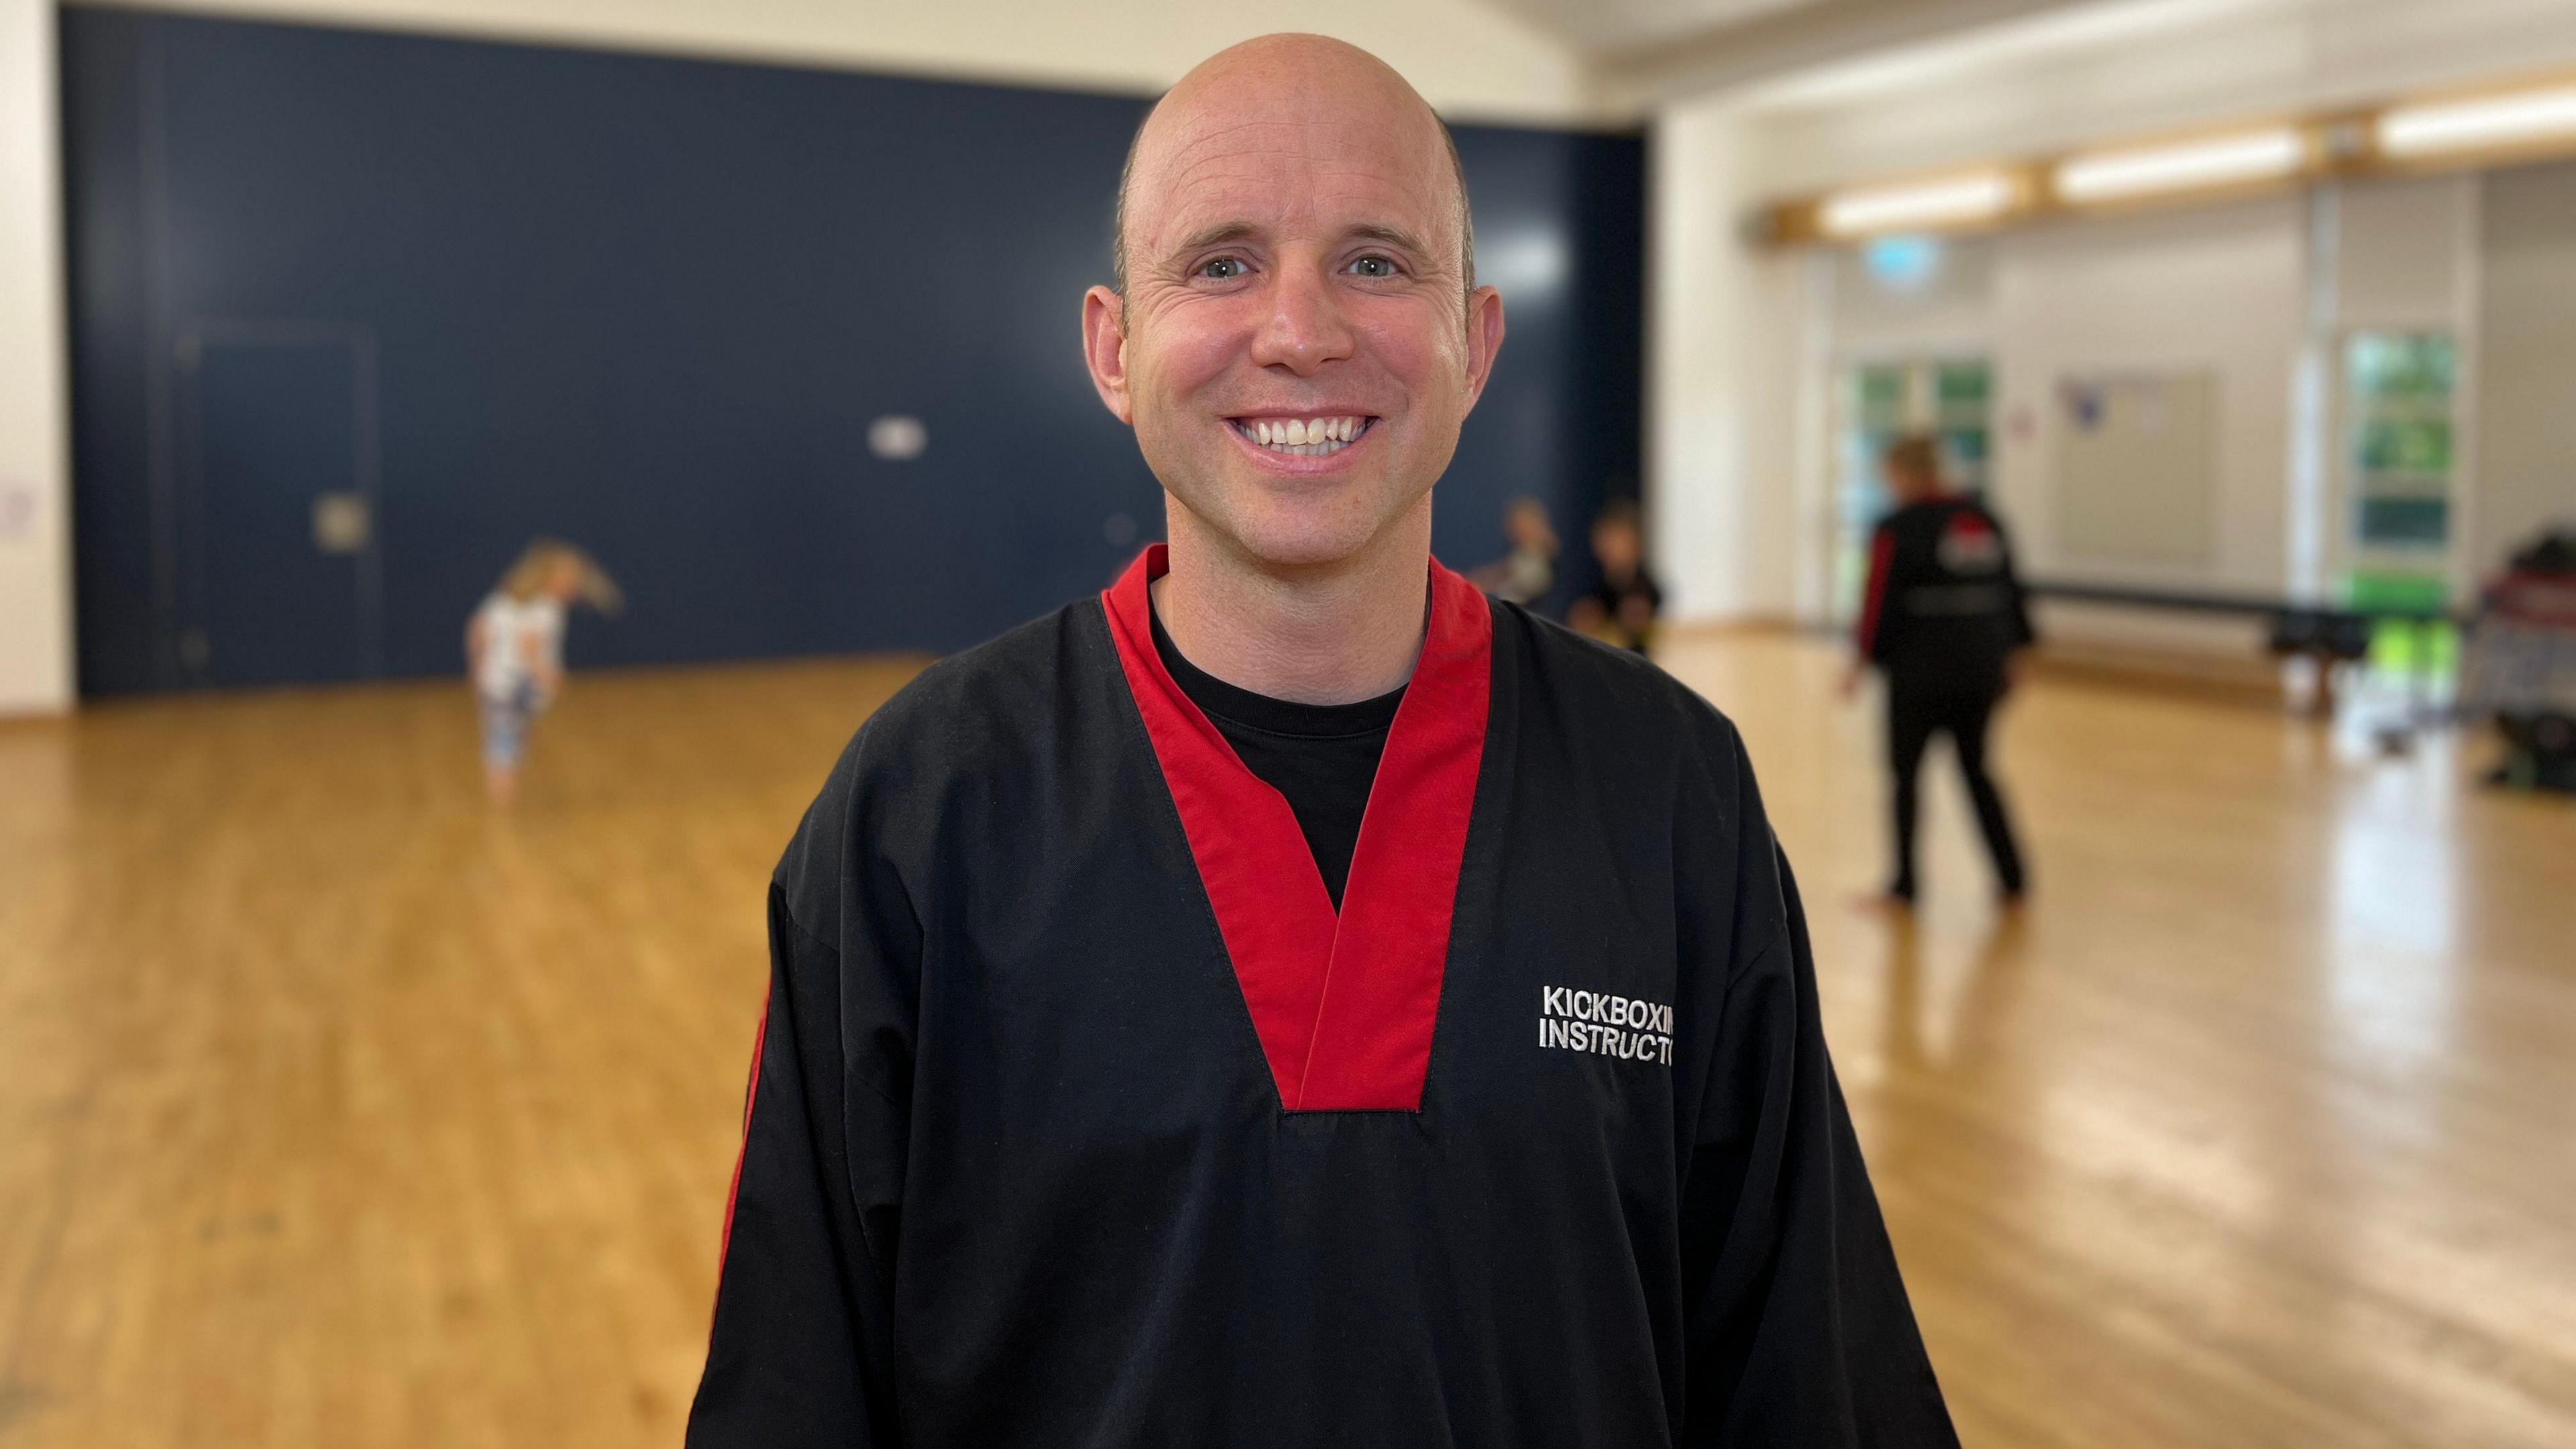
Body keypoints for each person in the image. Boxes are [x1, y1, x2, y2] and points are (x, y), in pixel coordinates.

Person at [688, 34, 1955, 1449]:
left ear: (1475, 345)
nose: (1300, 331)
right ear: (1115, 349)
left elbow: (1809, 1388)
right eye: (1221, 263)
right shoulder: (918, 817)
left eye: (1375, 261)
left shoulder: (1673, 793)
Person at [1841, 434, 2032, 907]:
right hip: (1980, 671)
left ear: (1904, 474)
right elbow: (2013, 592)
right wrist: (2014, 656)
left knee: (1905, 778)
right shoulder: (1983, 519)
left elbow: (1876, 600)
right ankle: (2013, 878)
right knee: (1977, 770)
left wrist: (1860, 661)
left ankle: (1905, 886)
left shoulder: (1898, 527)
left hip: (1918, 676)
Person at [463, 539, 621, 806]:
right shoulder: (547, 609)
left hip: (495, 682)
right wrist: (547, 674)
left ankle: (501, 788)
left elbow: (477, 631)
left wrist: (478, 668)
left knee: (503, 734)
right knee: (506, 737)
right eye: (566, 576)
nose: (572, 582)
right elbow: (528, 646)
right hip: (516, 685)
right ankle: (502, 795)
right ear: (545, 575)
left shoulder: (502, 600)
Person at [1566, 497, 1662, 653]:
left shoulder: (1645, 591)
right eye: (1604, 539)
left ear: (1634, 542)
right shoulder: (1599, 593)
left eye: (1615, 539)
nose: (1607, 547)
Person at [1466, 494, 1558, 605]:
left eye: (1523, 524)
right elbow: (1503, 571)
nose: (1514, 529)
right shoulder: (1517, 551)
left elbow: (1524, 583)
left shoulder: (1542, 557)